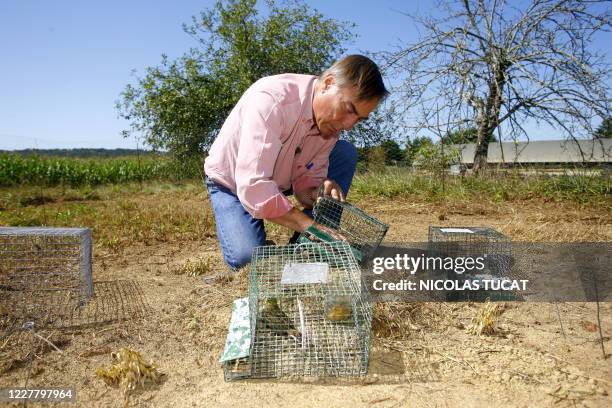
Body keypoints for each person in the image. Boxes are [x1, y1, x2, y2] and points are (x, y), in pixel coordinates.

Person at [204, 54, 388, 270]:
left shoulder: (329, 125)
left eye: (359, 119)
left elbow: (305, 181)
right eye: (349, 109)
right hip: (232, 182)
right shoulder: (272, 100)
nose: (348, 125)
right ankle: (315, 235)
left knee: (344, 152)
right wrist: (311, 227)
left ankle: (307, 246)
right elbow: (254, 187)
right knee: (247, 259)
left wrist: (318, 190)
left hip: (280, 177)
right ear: (328, 83)